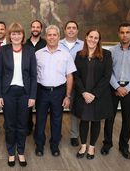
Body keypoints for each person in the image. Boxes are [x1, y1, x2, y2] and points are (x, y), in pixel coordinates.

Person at [0, 22, 37, 167]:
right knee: (10, 125)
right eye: (13, 33)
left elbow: (33, 75)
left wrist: (32, 96)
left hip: (25, 93)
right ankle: (11, 153)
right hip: (8, 93)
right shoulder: (3, 50)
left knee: (23, 125)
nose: (16, 36)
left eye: (19, 33)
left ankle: (21, 152)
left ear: (23, 35)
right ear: (10, 35)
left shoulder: (29, 51)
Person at [101, 23, 130, 159]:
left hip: (129, 89)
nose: (124, 35)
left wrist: (126, 89)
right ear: (118, 33)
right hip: (113, 88)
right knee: (109, 117)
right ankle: (107, 144)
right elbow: (108, 72)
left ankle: (124, 146)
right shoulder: (111, 51)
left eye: (127, 32)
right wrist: (117, 87)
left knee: (127, 119)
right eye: (122, 32)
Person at [34, 25, 76, 157]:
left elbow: (69, 76)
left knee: (57, 120)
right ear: (45, 37)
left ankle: (54, 145)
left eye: (54, 35)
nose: (52, 37)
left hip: (59, 92)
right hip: (41, 91)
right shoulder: (38, 54)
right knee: (40, 119)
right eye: (49, 35)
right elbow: (33, 75)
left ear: (59, 37)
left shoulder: (66, 55)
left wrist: (68, 96)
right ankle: (39, 145)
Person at [73, 28, 113, 160]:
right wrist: (84, 92)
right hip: (83, 94)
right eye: (91, 37)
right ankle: (83, 145)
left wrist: (94, 94)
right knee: (84, 120)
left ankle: (91, 147)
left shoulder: (106, 54)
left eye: (96, 38)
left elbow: (106, 77)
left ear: (99, 40)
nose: (93, 40)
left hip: (98, 95)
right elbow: (76, 75)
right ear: (86, 37)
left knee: (96, 121)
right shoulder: (79, 54)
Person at [59, 20, 84, 147]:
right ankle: (57, 133)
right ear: (64, 30)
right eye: (68, 27)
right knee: (57, 109)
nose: (71, 30)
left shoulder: (84, 45)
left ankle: (74, 135)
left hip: (77, 82)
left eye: (74, 28)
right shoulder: (57, 43)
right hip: (59, 81)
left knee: (75, 109)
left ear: (77, 30)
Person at [25, 19, 47, 135]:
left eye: (38, 27)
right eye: (33, 27)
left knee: (40, 108)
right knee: (27, 107)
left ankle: (39, 130)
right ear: (30, 29)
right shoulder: (24, 44)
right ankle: (28, 127)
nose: (35, 29)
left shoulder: (45, 44)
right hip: (28, 81)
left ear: (41, 29)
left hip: (42, 81)